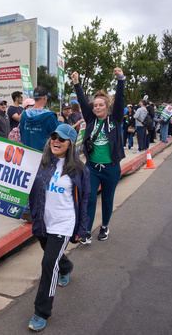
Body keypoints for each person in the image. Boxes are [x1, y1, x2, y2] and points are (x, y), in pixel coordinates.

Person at [27, 124, 90, 331]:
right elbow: (18, 177)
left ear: (70, 144)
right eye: (54, 136)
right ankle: (66, 267)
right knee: (52, 257)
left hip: (63, 224)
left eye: (62, 139)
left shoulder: (79, 170)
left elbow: (85, 200)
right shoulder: (41, 163)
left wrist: (82, 228)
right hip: (43, 222)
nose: (56, 141)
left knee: (47, 264)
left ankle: (41, 311)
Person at [71, 68, 125, 244]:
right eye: (95, 105)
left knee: (108, 200)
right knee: (90, 199)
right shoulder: (91, 118)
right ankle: (86, 230)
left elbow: (121, 99)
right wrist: (76, 83)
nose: (97, 107)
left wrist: (120, 79)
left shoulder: (115, 119)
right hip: (92, 168)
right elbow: (81, 100)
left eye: (101, 104)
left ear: (107, 107)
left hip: (111, 168)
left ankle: (104, 226)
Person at [19, 86, 61, 151]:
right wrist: (60, 122)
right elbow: (57, 136)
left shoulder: (24, 115)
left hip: (27, 154)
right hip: (44, 155)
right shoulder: (50, 116)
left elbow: (21, 134)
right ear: (44, 97)